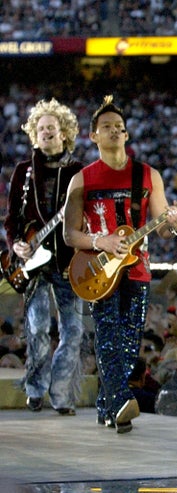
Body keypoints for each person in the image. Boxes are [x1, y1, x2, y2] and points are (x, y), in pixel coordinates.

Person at [63, 95, 177, 433]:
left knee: (130, 344)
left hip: (138, 268)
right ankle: (119, 404)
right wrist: (99, 241)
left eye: (120, 127)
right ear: (94, 136)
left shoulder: (148, 176)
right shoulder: (82, 180)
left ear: (127, 135)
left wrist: (175, 222)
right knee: (107, 337)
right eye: (107, 127)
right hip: (98, 270)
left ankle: (106, 404)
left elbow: (162, 225)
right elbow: (70, 235)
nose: (115, 131)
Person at [3, 98, 85, 415]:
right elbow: (12, 220)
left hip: (68, 263)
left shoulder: (79, 172)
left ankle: (62, 394)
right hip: (33, 264)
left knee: (73, 331)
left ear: (64, 133)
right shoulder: (23, 173)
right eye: (41, 128)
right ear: (33, 135)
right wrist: (16, 246)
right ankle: (36, 389)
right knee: (37, 329)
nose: (46, 132)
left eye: (52, 127)